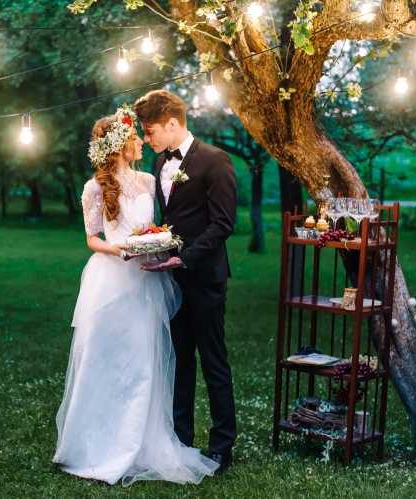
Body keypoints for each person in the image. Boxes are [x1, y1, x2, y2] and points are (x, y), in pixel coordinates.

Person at [52, 106, 218, 486]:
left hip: (146, 282)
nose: (142, 141)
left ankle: (140, 442)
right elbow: (92, 238)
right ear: (120, 145)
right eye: (134, 137)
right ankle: (95, 443)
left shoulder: (147, 180)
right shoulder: (94, 188)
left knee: (143, 361)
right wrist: (121, 250)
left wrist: (157, 245)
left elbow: (154, 227)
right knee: (104, 359)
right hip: (110, 281)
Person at [134, 89, 237, 472]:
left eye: (150, 131)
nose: (147, 140)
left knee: (213, 361)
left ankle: (223, 445)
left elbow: (223, 223)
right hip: (171, 281)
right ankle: (180, 439)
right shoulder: (161, 162)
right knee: (179, 362)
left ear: (173, 123)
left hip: (206, 277)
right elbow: (172, 219)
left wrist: (186, 256)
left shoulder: (215, 161)